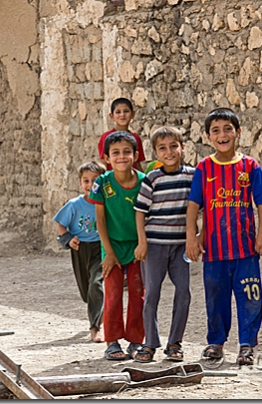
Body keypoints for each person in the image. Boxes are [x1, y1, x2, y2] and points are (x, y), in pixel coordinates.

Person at [185, 108, 262, 366]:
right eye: (215, 130)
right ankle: (216, 342)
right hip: (214, 251)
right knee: (215, 298)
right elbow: (193, 205)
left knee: (250, 296)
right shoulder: (204, 168)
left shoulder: (250, 166)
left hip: (245, 250)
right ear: (208, 136)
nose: (222, 135)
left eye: (227, 129)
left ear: (238, 132)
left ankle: (247, 345)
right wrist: (193, 236)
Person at [133, 126, 195, 363]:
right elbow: (140, 212)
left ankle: (175, 343)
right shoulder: (152, 178)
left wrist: (195, 238)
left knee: (184, 291)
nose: (169, 152)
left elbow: (198, 207)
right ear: (155, 154)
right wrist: (142, 242)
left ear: (182, 148)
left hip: (180, 246)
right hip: (155, 245)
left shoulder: (192, 175)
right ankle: (149, 343)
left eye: (173, 146)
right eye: (162, 148)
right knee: (152, 294)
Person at [88, 131, 145, 361]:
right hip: (111, 247)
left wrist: (143, 244)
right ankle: (112, 341)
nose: (121, 157)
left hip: (137, 246)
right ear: (106, 158)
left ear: (136, 154)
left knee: (137, 293)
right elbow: (100, 220)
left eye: (126, 152)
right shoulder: (102, 183)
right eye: (115, 153)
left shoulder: (143, 181)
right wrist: (109, 253)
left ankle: (135, 341)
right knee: (112, 294)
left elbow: (146, 216)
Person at [53, 161, 106, 343]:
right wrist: (69, 238)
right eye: (86, 181)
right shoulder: (74, 205)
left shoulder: (106, 203)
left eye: (95, 181)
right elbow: (61, 225)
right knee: (86, 291)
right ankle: (99, 308)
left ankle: (95, 328)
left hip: (100, 247)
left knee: (95, 284)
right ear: (80, 183)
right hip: (80, 249)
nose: (90, 185)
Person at [98, 98, 146, 171]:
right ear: (111, 116)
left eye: (126, 111)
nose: (122, 115)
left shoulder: (135, 138)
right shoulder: (106, 137)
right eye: (118, 112)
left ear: (133, 114)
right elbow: (103, 163)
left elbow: (137, 164)